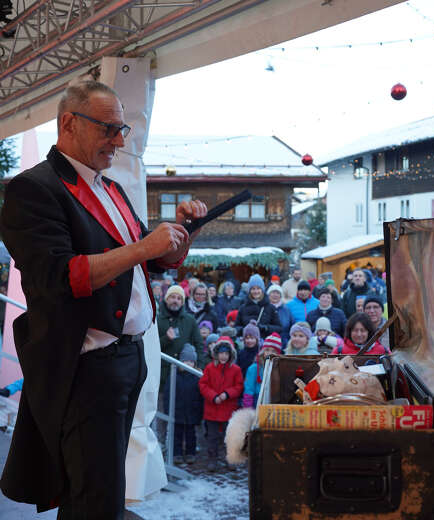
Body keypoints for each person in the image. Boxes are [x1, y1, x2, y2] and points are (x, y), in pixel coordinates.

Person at [0, 81, 207, 517]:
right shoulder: (32, 189)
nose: (118, 140)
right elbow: (57, 275)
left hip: (125, 358)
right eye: (108, 128)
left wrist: (178, 234)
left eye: (122, 129)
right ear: (69, 123)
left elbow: (144, 264)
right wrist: (143, 247)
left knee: (103, 485)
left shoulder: (109, 188)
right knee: (93, 495)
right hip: (86, 364)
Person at [198, 337, 243, 472]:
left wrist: (227, 394)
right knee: (212, 437)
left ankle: (230, 459)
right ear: (216, 354)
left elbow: (239, 386)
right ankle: (212, 459)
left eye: (226, 353)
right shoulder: (210, 368)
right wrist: (213, 396)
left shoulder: (235, 370)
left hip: (228, 409)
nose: (223, 356)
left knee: (228, 436)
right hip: (212, 410)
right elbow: (203, 384)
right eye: (221, 353)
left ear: (230, 355)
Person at [171, 344, 203, 465]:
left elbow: (200, 397)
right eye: (185, 361)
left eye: (191, 361)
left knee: (191, 435)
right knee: (177, 435)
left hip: (192, 411)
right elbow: (169, 394)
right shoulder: (174, 376)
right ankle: (177, 454)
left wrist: (199, 412)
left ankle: (191, 453)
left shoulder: (197, 377)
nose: (188, 364)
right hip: (178, 411)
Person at [235, 274, 282, 339]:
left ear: (262, 290)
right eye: (253, 289)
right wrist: (245, 329)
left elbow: (279, 328)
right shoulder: (243, 308)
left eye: (258, 288)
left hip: (265, 343)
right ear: (249, 291)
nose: (256, 291)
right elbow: (236, 327)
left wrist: (265, 328)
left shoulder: (270, 308)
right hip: (248, 342)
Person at [243, 333, 282, 408]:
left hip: (273, 403)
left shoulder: (280, 368)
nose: (270, 353)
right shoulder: (254, 368)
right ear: (263, 351)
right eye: (267, 350)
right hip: (257, 402)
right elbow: (248, 390)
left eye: (273, 351)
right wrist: (248, 409)